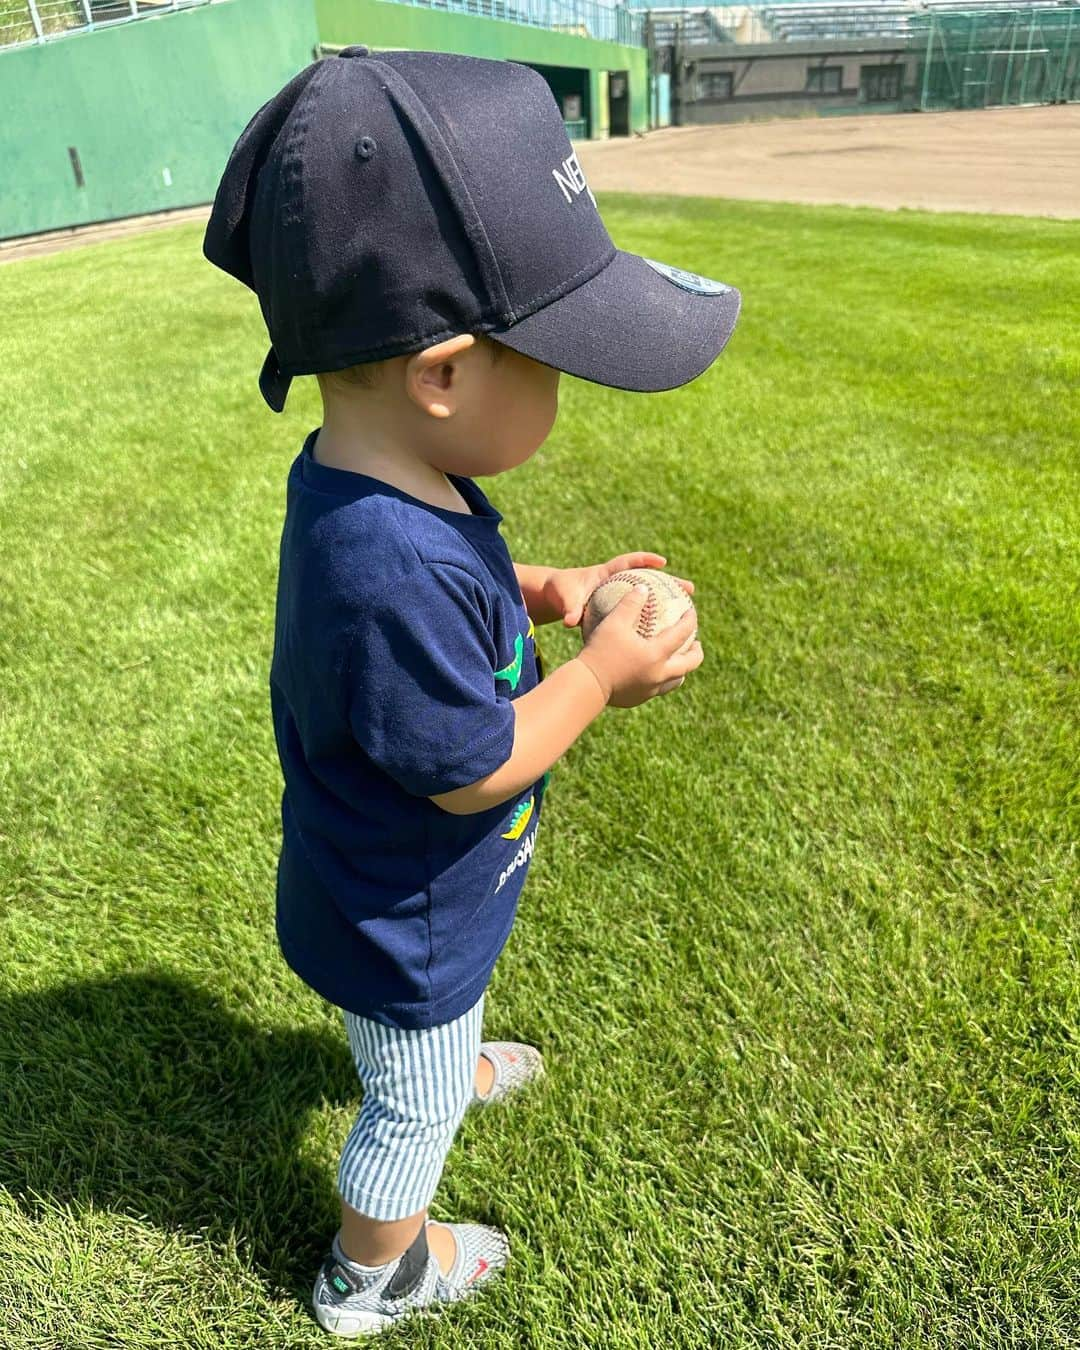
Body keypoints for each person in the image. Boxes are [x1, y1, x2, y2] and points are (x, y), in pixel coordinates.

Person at [203, 45, 740, 1339]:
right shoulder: (379, 569)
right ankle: (370, 1268)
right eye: (550, 356)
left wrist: (554, 589)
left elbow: (475, 581)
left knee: (426, 1043)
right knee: (413, 1104)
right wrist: (604, 672)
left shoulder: (386, 479)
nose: (563, 386)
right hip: (406, 922)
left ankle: (436, 1041)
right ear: (442, 372)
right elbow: (476, 762)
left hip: (395, 899)